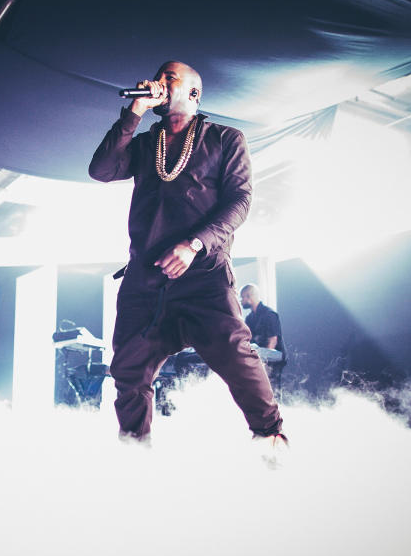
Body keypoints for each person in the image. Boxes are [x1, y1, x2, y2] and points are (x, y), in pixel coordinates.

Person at [89, 60, 286, 448]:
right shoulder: (146, 144)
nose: (158, 83)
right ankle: (134, 452)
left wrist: (195, 244)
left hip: (203, 274)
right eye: (157, 76)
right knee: (128, 369)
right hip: (146, 278)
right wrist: (135, 112)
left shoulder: (226, 139)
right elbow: (101, 169)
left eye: (168, 79)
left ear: (193, 93)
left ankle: (270, 436)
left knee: (235, 353)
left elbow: (241, 200)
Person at [240, 284, 284, 355]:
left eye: (242, 297)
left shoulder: (269, 314)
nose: (241, 301)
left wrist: (265, 360)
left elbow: (273, 340)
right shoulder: (249, 318)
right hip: (259, 352)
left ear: (249, 296)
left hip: (274, 354)